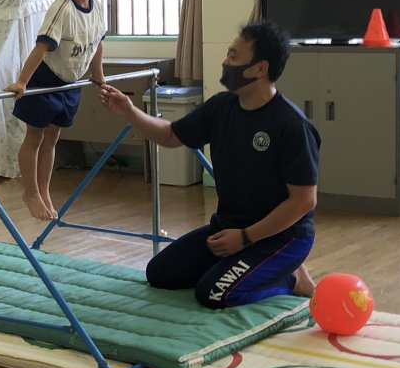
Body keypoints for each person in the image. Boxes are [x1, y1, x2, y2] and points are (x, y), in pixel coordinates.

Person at [99, 20, 320, 308]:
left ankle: (290, 279)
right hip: (228, 228)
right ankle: (244, 268)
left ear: (259, 69)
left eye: (233, 56)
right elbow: (171, 135)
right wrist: (130, 112)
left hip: (283, 237)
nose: (225, 62)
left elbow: (304, 201)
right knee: (160, 273)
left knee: (213, 293)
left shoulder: (291, 125)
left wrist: (245, 238)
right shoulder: (221, 107)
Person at [4, 0, 107, 220]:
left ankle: (44, 190)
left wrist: (98, 74)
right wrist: (22, 82)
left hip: (69, 82)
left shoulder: (97, 7)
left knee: (53, 137)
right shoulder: (62, 8)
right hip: (45, 78)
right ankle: (30, 192)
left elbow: (97, 42)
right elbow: (41, 47)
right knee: (35, 136)